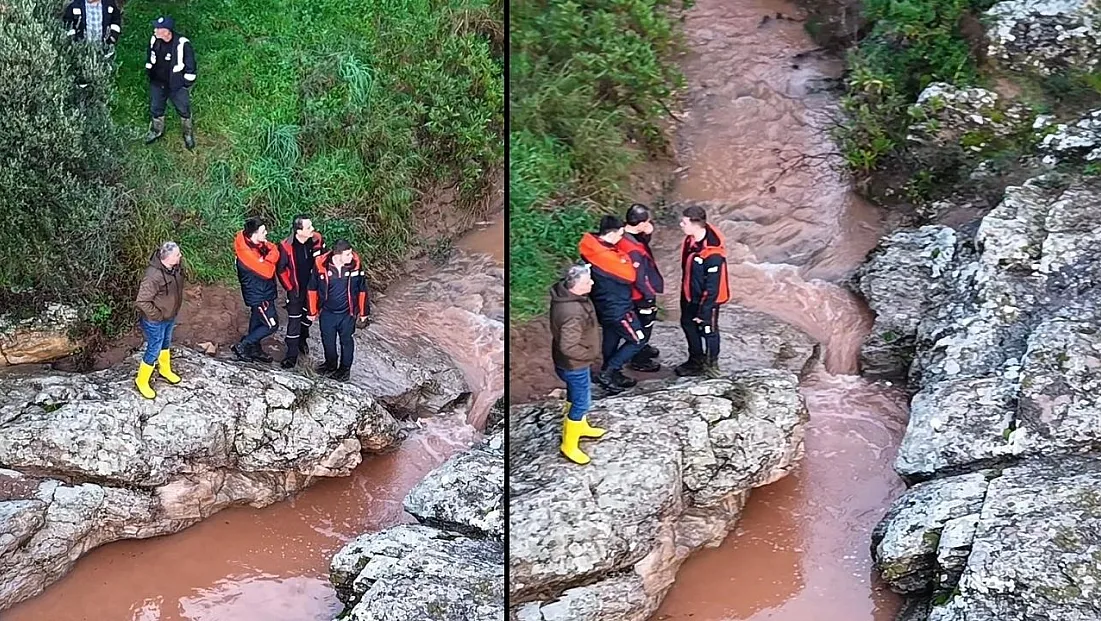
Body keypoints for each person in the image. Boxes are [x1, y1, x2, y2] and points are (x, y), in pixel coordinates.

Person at [578, 215, 646, 392]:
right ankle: (609, 372)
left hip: (604, 304)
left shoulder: (591, 247)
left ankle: (611, 372)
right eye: (621, 234)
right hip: (617, 307)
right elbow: (630, 275)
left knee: (612, 337)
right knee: (638, 339)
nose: (622, 238)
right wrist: (624, 258)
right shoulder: (606, 257)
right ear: (613, 233)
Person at [549, 263, 606, 465]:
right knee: (582, 402)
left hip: (571, 362)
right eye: (588, 280)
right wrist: (589, 354)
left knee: (575, 395)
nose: (592, 282)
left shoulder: (567, 297)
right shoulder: (572, 313)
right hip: (575, 365)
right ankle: (569, 444)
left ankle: (580, 426)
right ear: (576, 285)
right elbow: (568, 346)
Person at [676, 205, 730, 377]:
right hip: (689, 293)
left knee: (709, 331)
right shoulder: (690, 240)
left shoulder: (713, 254)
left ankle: (710, 366)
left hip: (707, 300)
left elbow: (712, 287)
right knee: (687, 324)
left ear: (695, 224)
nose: (680, 225)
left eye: (684, 222)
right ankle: (695, 359)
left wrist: (704, 311)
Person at [306, 240, 370, 382]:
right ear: (337, 254)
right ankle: (330, 364)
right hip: (327, 312)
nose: (351, 256)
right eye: (347, 254)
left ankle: (344, 370)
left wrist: (364, 313)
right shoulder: (321, 265)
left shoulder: (355, 266)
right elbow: (312, 288)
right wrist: (312, 311)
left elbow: (362, 290)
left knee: (346, 341)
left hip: (348, 313)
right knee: (327, 340)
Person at [616, 203, 664, 372]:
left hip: (627, 292)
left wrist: (647, 235)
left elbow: (640, 243)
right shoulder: (632, 250)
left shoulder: (621, 235)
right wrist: (649, 296)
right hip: (638, 295)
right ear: (642, 224)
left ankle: (642, 348)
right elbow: (639, 278)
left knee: (639, 322)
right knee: (645, 324)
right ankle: (640, 359)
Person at [133, 241, 184, 399]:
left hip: (169, 316)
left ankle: (165, 369)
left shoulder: (174, 268)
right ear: (168, 257)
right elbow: (141, 301)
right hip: (155, 320)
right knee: (154, 348)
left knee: (166, 343)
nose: (180, 256)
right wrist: (158, 315)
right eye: (177, 254)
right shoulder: (152, 276)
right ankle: (141, 380)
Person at [232, 217, 285, 363]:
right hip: (259, 295)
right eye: (263, 231)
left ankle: (254, 348)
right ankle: (243, 345)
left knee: (257, 322)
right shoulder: (246, 255)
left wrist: (268, 259)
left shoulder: (254, 243)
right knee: (271, 325)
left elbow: (273, 248)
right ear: (254, 235)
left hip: (263, 292)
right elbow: (268, 272)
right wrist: (269, 260)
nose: (266, 233)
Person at [276, 215, 325, 368]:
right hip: (296, 290)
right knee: (294, 320)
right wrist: (290, 288)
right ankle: (291, 355)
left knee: (309, 316)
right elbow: (281, 269)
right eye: (309, 227)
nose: (313, 230)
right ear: (299, 231)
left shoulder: (317, 240)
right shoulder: (285, 246)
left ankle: (303, 336)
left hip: (314, 289)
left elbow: (324, 260)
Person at [143, 16, 197, 150]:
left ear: (167, 31)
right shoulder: (154, 40)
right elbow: (150, 58)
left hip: (176, 85)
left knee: (183, 109)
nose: (155, 30)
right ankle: (156, 131)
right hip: (158, 82)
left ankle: (187, 133)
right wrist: (150, 73)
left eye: (158, 28)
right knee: (156, 108)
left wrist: (185, 84)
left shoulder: (182, 44)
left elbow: (191, 67)